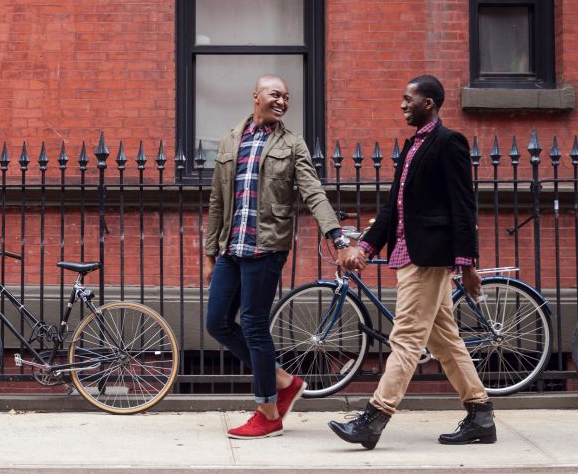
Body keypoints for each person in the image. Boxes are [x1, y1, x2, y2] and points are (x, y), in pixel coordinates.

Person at [328, 74, 495, 450]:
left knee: (404, 338)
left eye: (409, 99)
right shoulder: (413, 146)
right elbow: (393, 210)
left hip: (430, 258)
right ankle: (481, 415)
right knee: (446, 341)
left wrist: (467, 264)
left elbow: (463, 206)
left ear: (429, 103)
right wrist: (367, 249)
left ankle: (373, 419)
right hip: (409, 255)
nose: (403, 105)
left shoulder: (447, 143)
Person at [204, 74, 350, 440]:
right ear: (256, 96)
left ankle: (268, 411)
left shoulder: (292, 144)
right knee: (217, 322)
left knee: (253, 324)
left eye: (287, 97)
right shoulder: (229, 141)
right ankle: (283, 380)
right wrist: (210, 251)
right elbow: (218, 201)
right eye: (275, 94)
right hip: (231, 248)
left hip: (266, 249)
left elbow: (313, 193)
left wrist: (338, 236)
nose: (283, 101)